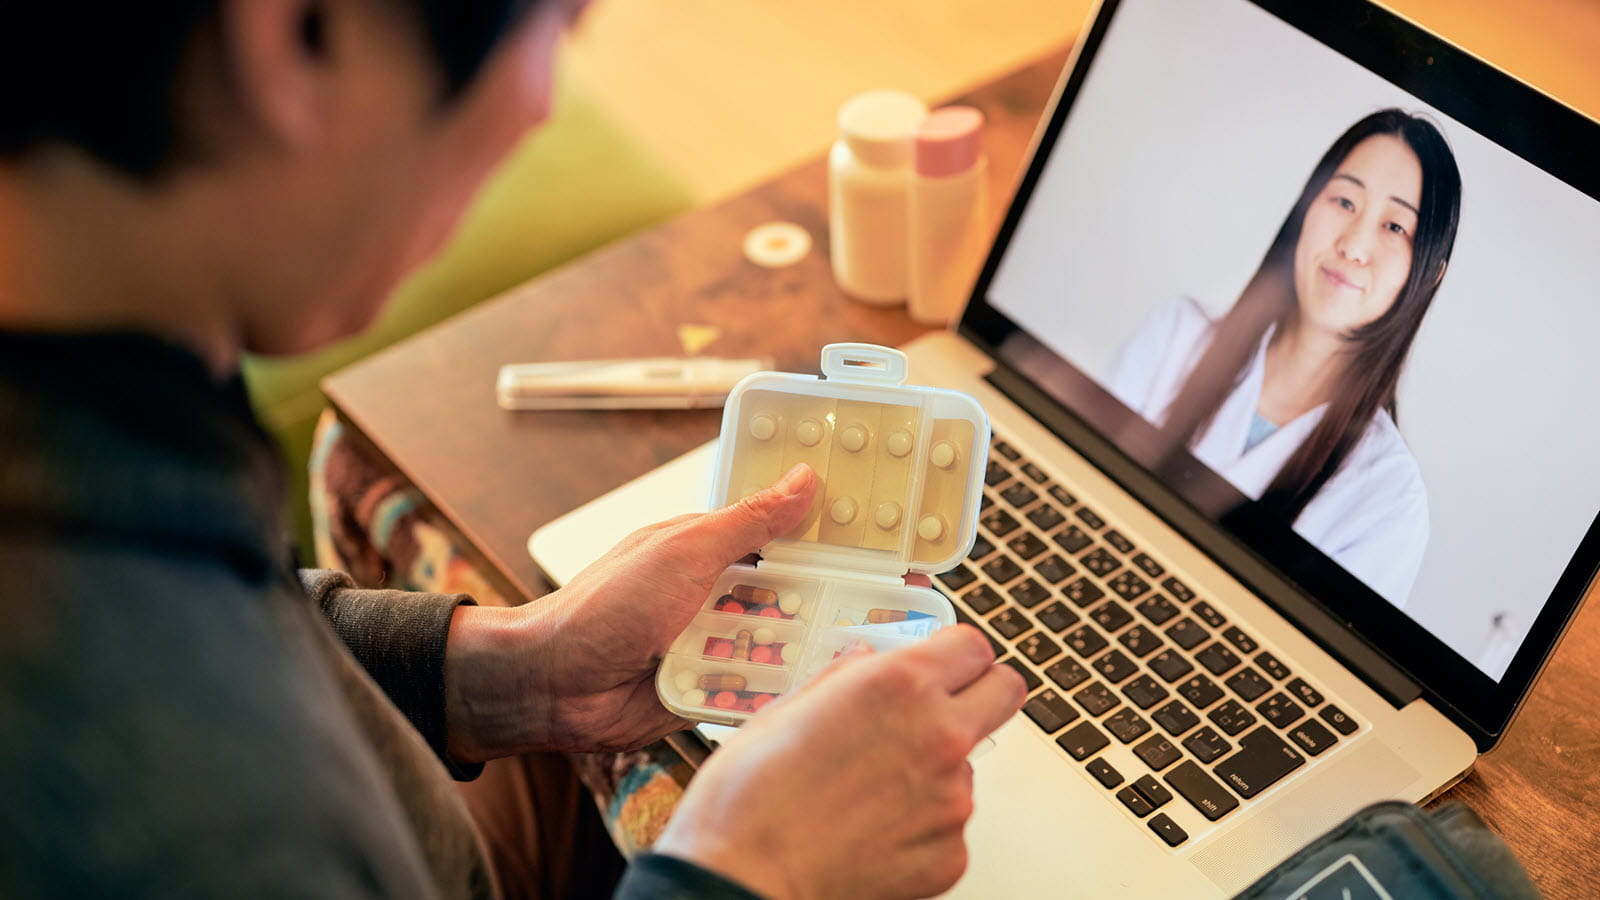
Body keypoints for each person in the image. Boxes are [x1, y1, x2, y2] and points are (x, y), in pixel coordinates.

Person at [0, 2, 1024, 898]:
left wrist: (510, 671)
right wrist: (746, 876)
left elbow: (243, 626)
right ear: (293, 34)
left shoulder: (112, 406)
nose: (541, 106)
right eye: (559, 24)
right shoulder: (187, 826)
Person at [1108, 109, 1462, 604]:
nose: (1354, 244)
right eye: (1344, 200)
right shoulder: (1178, 335)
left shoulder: (1388, 499)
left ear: (1431, 273)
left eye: (1395, 227)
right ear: (1306, 207)